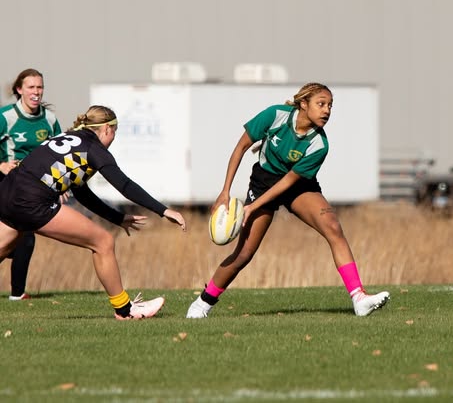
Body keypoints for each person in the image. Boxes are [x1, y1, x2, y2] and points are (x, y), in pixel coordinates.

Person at [186, 82, 389, 319]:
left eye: (330, 106)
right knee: (244, 254)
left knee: (333, 227)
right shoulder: (275, 116)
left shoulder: (319, 144)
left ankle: (359, 298)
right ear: (303, 104)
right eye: (321, 104)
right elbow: (241, 147)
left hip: (296, 186)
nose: (327, 111)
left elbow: (289, 182)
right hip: (264, 181)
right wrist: (225, 192)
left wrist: (253, 207)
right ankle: (201, 304)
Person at [0, 105, 187, 319]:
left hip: (6, 191)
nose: (113, 138)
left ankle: (125, 309)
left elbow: (81, 193)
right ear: (107, 128)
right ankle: (126, 310)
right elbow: (124, 185)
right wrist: (164, 211)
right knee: (103, 242)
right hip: (32, 201)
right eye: (114, 132)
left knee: (4, 246)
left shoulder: (70, 137)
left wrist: (117, 217)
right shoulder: (95, 149)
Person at [0, 69, 62, 300]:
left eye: (40, 87)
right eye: (31, 87)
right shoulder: (5, 117)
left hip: (34, 186)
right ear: (19, 90)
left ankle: (17, 293)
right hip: (7, 182)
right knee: (21, 236)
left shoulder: (50, 119)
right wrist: (1, 165)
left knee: (24, 236)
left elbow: (59, 154)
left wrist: (59, 185)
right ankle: (17, 293)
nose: (36, 92)